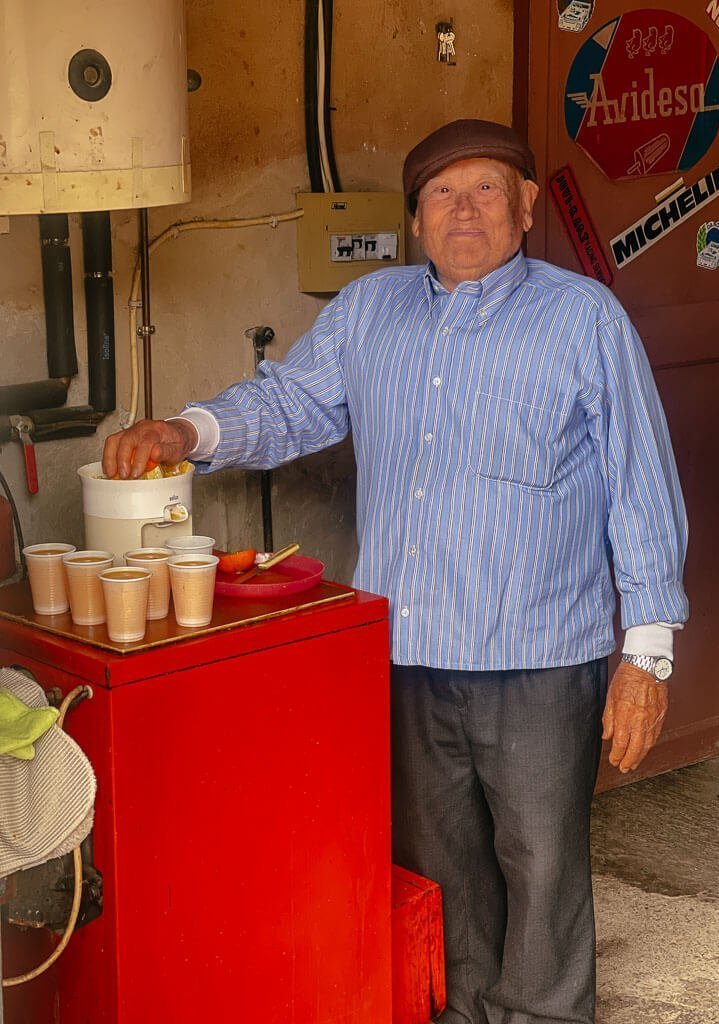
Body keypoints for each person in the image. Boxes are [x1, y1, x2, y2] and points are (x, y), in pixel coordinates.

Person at [103, 119, 688, 1024]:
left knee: (541, 863)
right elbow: (293, 403)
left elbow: (638, 480)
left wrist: (646, 654)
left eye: (488, 189)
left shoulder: (582, 318)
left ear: (526, 207)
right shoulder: (372, 309)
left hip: (538, 653)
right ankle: (462, 1011)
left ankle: (540, 1015)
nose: (465, 209)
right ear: (415, 218)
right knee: (439, 858)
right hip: (408, 648)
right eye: (443, 193)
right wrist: (189, 432)